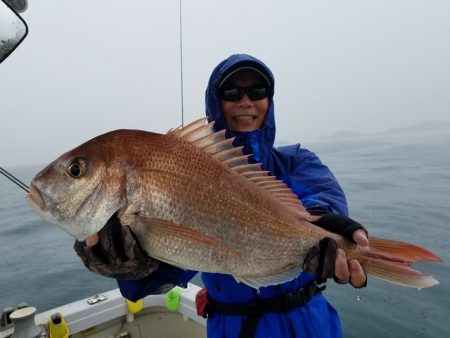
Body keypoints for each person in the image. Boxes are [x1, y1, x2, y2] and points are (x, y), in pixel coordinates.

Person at [75, 53, 369, 338]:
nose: (245, 101)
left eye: (257, 90)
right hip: (232, 328)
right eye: (232, 91)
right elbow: (156, 277)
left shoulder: (296, 162)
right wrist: (131, 265)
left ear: (270, 100)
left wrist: (323, 224)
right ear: (215, 102)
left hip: (311, 325)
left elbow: (321, 199)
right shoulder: (191, 174)